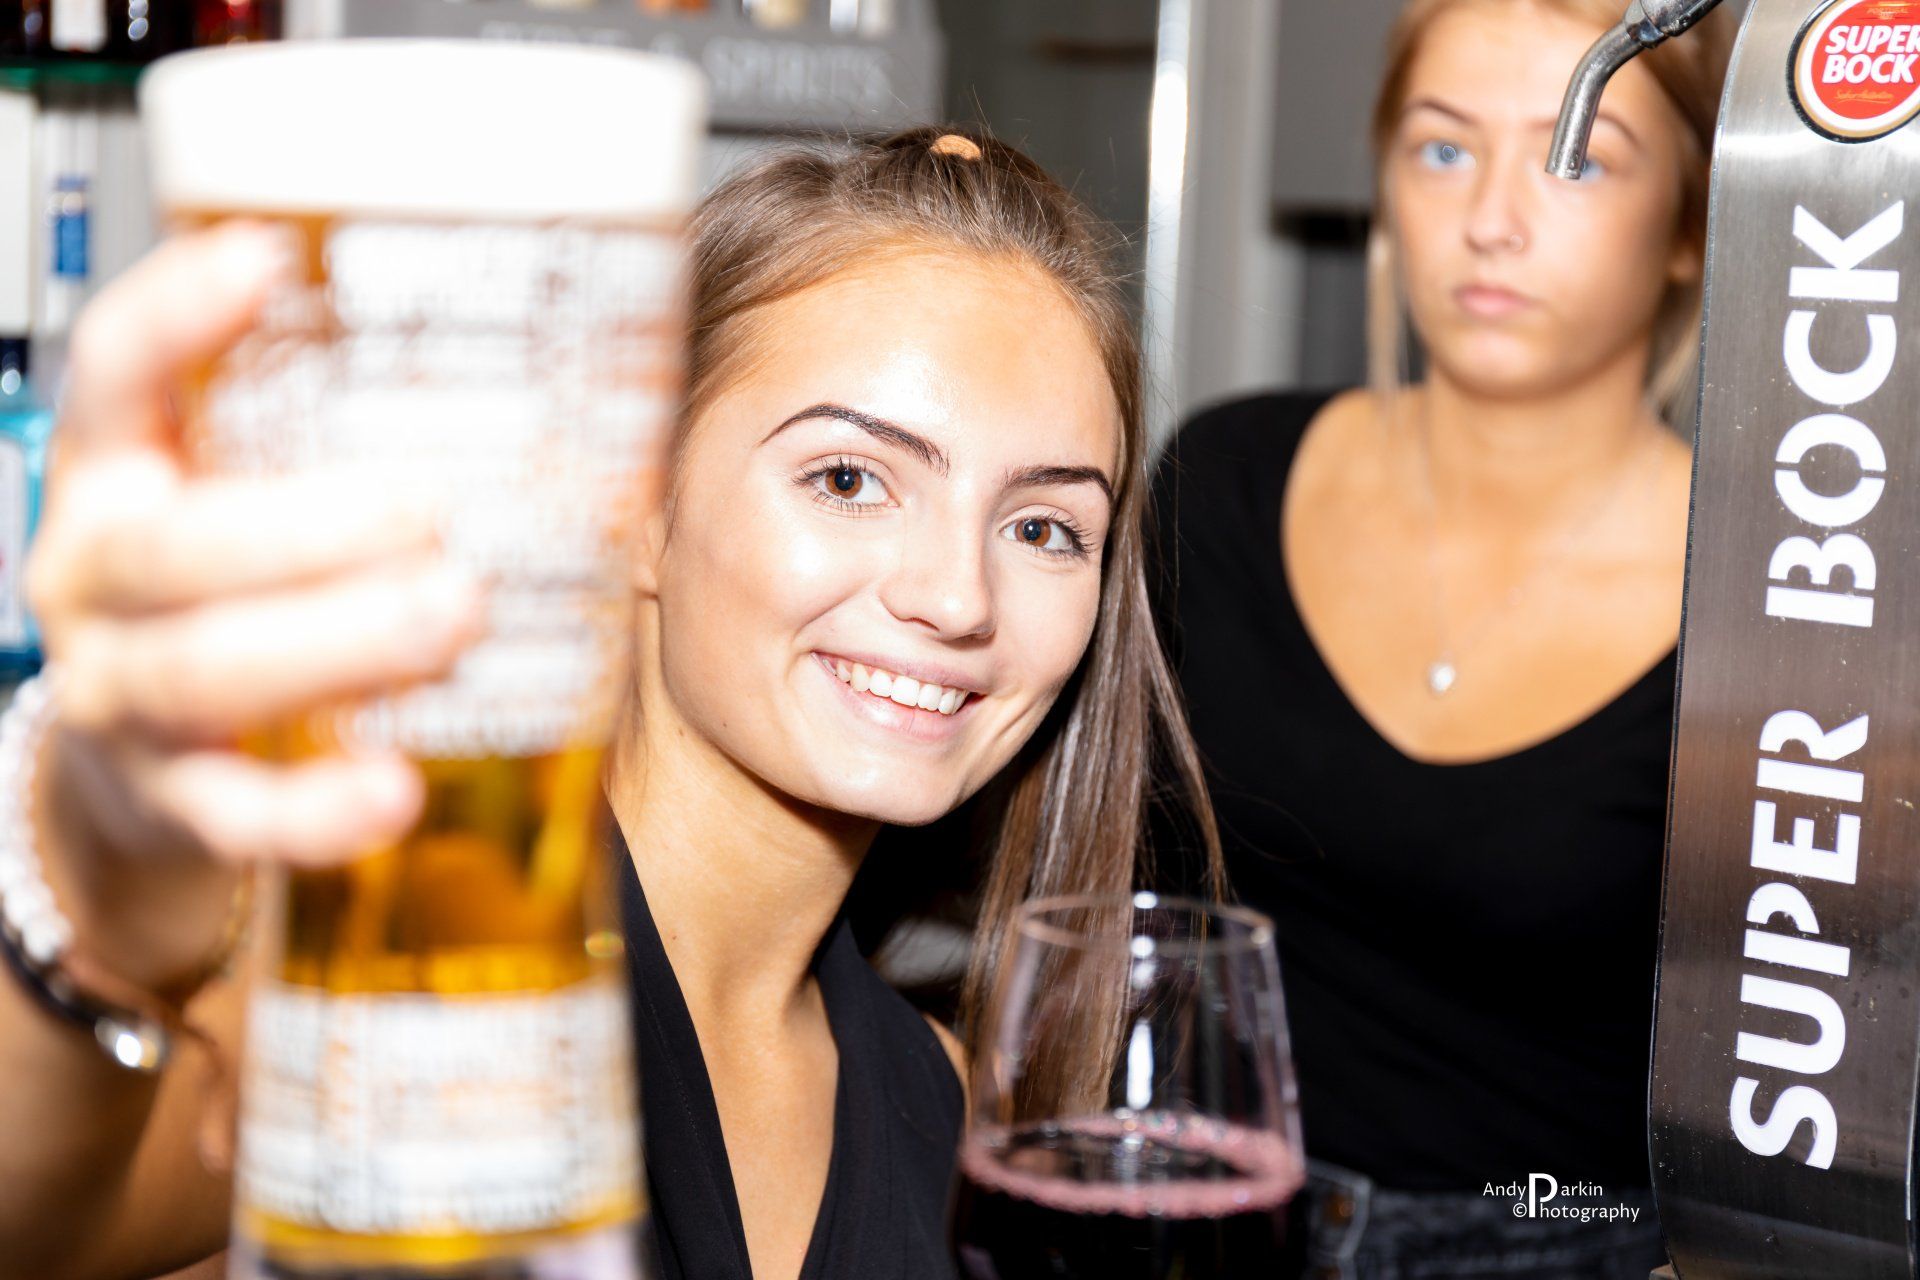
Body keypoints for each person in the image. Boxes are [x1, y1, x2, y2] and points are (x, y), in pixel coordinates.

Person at [0, 127, 1216, 1280]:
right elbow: (42, 1218)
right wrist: (95, 873)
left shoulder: (947, 1105)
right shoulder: (423, 963)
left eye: (1044, 527)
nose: (957, 597)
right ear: (631, 503)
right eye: (849, 478)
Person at [1150, 2, 1732, 1275]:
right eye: (1445, 148)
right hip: (1198, 1218)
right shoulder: (1218, 484)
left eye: (1578, 158)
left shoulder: (1771, 612)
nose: (1493, 220)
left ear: (1692, 222)